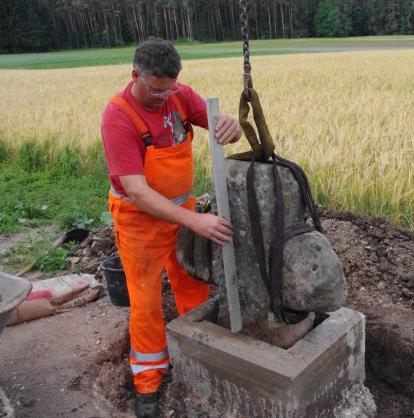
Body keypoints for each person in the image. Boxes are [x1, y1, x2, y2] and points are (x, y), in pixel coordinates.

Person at [101, 37, 241, 417]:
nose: (164, 97)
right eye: (156, 90)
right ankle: (148, 381)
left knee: (194, 288)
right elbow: (137, 191)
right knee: (145, 302)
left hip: (182, 213)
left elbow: (220, 125)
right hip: (140, 222)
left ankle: (195, 357)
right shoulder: (119, 116)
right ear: (136, 75)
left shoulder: (180, 96)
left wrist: (232, 126)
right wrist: (195, 221)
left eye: (170, 89)